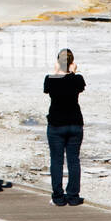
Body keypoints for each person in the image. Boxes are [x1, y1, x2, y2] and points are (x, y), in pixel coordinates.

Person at [44, 48, 85, 207]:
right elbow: (78, 86)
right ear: (72, 63)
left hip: (56, 124)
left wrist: (57, 71)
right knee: (74, 160)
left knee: (57, 160)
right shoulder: (77, 79)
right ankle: (73, 196)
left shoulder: (50, 79)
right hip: (75, 123)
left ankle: (58, 197)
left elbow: (48, 89)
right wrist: (72, 73)